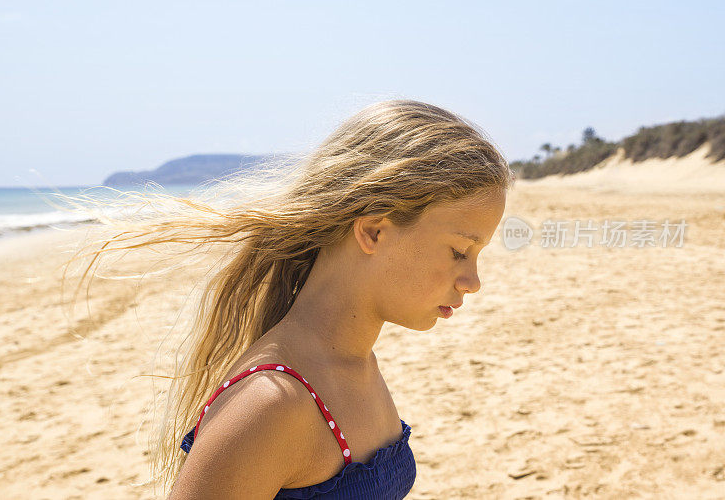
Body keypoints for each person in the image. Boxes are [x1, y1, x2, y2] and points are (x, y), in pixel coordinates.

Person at [65, 99, 512, 499]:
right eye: (459, 252)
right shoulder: (271, 401)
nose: (472, 281)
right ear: (374, 231)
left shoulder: (356, 361)